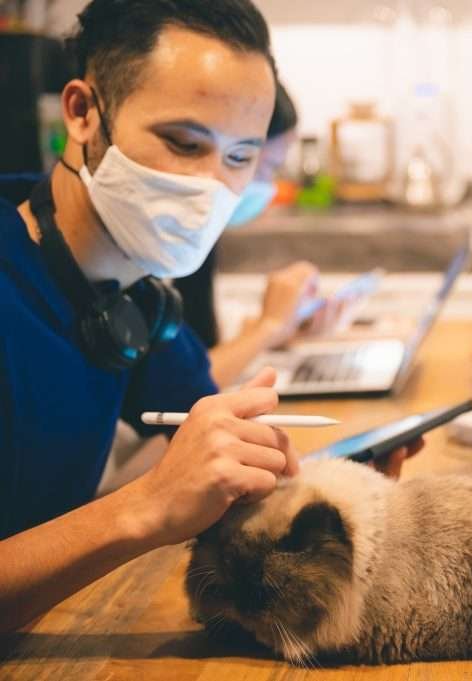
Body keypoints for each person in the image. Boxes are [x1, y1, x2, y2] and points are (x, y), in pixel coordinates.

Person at [0, 0, 414, 633]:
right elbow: (157, 499)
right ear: (83, 113)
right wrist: (142, 511)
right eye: (184, 143)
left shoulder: (135, 300)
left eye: (241, 157)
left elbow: (204, 467)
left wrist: (326, 484)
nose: (212, 185)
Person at [175, 82, 343, 389]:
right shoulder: (155, 254)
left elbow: (197, 348)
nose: (269, 187)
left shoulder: (196, 244)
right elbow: (173, 393)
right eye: (266, 168)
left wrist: (282, 326)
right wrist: (268, 327)